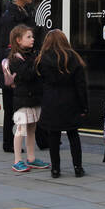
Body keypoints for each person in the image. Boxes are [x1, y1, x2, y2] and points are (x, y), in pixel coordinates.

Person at [36, 29, 88, 178]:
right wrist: (84, 106)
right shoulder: (74, 58)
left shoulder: (42, 59)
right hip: (70, 101)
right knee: (73, 135)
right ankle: (78, 167)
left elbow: (40, 84)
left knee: (53, 137)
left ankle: (55, 169)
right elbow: (81, 86)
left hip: (51, 101)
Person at [0, 0, 37, 154]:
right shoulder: (11, 18)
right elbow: (8, 47)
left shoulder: (24, 12)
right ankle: (8, 142)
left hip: (19, 65)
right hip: (14, 68)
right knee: (11, 107)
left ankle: (34, 139)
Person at [3, 24, 45, 172]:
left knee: (32, 128)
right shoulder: (15, 58)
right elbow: (27, 74)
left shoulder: (31, 54)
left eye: (32, 36)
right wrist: (36, 61)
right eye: (29, 37)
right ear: (18, 40)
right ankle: (17, 160)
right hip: (22, 100)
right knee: (21, 129)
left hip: (33, 99)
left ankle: (31, 158)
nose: (32, 39)